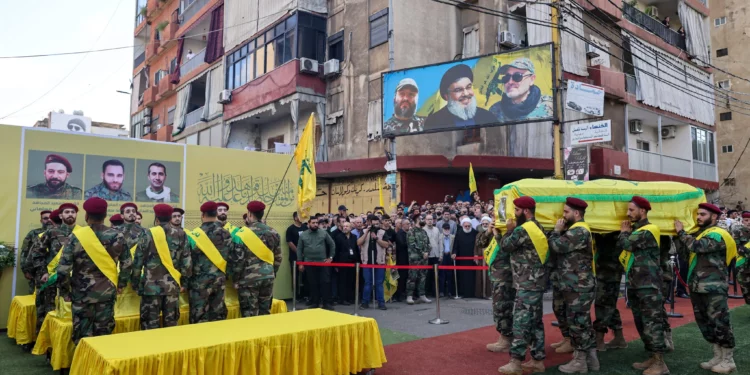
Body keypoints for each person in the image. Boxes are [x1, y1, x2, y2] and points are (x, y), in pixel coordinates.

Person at [56, 197, 131, 345]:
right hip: (107, 293)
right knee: (104, 335)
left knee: (82, 336)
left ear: (86, 215)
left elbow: (63, 269)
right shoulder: (118, 235)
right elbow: (127, 264)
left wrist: (65, 292)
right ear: (105, 216)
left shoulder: (76, 237)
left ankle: (82, 366)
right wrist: (121, 284)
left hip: (81, 294)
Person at [674, 203, 737, 373]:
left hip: (714, 287)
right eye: (698, 214)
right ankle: (717, 355)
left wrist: (681, 232)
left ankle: (728, 359)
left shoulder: (718, 234)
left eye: (702, 214)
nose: (698, 217)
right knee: (706, 322)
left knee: (720, 322)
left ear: (714, 217)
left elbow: (697, 246)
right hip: (698, 286)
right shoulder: (701, 233)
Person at [617, 196, 669, 374]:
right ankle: (652, 356)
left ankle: (660, 363)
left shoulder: (649, 230)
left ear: (643, 211)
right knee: (641, 322)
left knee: (652, 323)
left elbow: (625, 244)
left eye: (631, 210)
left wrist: (624, 232)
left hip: (648, 285)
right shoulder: (638, 229)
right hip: (636, 283)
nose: (628, 213)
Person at [497, 197, 547, 374]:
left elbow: (505, 246)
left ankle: (516, 362)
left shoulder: (523, 229)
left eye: (517, 210)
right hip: (536, 282)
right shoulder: (538, 226)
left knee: (520, 322)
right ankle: (537, 360)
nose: (514, 213)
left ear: (526, 211)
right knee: (535, 322)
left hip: (527, 283)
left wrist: (508, 231)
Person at [549, 198, 599, 373]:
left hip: (578, 286)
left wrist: (556, 231)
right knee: (583, 322)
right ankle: (591, 360)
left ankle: (580, 361)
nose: (563, 215)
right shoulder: (577, 230)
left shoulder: (578, 231)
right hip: (578, 284)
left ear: (576, 213)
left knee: (578, 323)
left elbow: (556, 246)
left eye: (566, 212)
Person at [132, 204, 191, 330]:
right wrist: (184, 283)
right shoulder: (181, 234)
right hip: (172, 288)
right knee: (171, 326)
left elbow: (138, 261)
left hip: (150, 288)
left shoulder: (148, 234)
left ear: (156, 219)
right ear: (170, 217)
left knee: (150, 325)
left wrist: (135, 283)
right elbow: (186, 262)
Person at [30, 203, 79, 333]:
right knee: (49, 312)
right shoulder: (51, 232)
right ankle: (46, 344)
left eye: (73, 212)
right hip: (52, 279)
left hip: (74, 281)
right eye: (67, 212)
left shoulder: (83, 232)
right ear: (61, 215)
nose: (70, 214)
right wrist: (43, 272)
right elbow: (37, 253)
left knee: (69, 315)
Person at [186, 201, 234, 323]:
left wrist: (185, 282)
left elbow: (187, 262)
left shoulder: (193, 235)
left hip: (199, 282)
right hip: (219, 280)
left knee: (199, 316)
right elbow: (232, 257)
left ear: (202, 215)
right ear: (216, 214)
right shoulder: (226, 233)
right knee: (217, 316)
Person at [233, 201, 283, 316]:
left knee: (250, 314)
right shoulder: (273, 232)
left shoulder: (241, 234)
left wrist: (236, 280)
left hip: (248, 279)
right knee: (265, 312)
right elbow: (278, 257)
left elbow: (238, 260)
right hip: (268, 277)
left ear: (249, 214)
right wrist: (272, 272)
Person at [423, 64, 497, 130]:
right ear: (446, 96)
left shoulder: (488, 117)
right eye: (458, 90)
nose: (466, 93)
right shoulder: (434, 122)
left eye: (468, 87)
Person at [489, 58, 554, 122]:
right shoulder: (495, 110)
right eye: (507, 77)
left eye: (517, 76)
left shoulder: (550, 105)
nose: (510, 82)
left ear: (532, 79)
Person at [592, 232, 627, 351]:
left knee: (602, 304)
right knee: (610, 304)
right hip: (606, 269)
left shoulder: (614, 232)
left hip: (610, 271)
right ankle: (619, 337)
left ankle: (599, 340)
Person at [297, 215, 336, 309]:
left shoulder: (323, 233)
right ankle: (315, 302)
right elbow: (299, 249)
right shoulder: (303, 234)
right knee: (313, 283)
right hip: (309, 262)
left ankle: (326, 303)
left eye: (316, 223)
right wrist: (300, 262)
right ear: (309, 224)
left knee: (325, 282)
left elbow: (332, 244)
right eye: (313, 223)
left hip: (322, 262)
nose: (315, 225)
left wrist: (330, 257)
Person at [358, 215, 390, 310]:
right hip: (367, 262)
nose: (375, 225)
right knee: (367, 283)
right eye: (373, 223)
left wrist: (376, 238)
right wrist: (367, 232)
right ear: (369, 223)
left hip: (379, 262)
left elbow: (386, 244)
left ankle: (381, 302)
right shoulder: (364, 231)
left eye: (377, 223)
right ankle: (365, 302)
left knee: (379, 283)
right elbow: (359, 243)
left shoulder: (382, 232)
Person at [20, 210, 52, 294]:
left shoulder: (59, 234)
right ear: (41, 221)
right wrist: (25, 270)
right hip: (35, 271)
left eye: (50, 218)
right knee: (35, 297)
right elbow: (24, 252)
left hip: (53, 271)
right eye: (45, 218)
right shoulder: (33, 234)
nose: (48, 220)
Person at [406, 217, 432, 304]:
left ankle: (422, 295)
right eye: (421, 219)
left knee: (423, 277)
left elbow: (428, 243)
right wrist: (422, 253)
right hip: (415, 258)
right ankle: (409, 296)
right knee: (412, 277)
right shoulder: (411, 232)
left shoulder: (424, 231)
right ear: (416, 221)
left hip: (424, 259)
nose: (423, 220)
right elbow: (412, 245)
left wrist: (427, 252)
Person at [335, 222, 359, 305]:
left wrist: (357, 261)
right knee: (342, 281)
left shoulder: (354, 237)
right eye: (344, 226)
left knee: (351, 280)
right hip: (342, 262)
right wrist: (336, 264)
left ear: (350, 228)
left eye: (347, 226)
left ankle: (350, 298)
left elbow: (356, 249)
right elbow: (336, 251)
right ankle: (342, 298)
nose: (345, 228)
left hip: (352, 262)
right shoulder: (338, 237)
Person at [453, 218, 477, 298]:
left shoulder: (475, 233)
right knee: (462, 277)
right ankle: (463, 293)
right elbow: (455, 245)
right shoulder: (459, 233)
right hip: (462, 259)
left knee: (471, 277)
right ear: (463, 225)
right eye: (465, 226)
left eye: (468, 226)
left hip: (472, 259)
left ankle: (472, 293)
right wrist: (454, 253)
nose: (467, 227)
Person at [286, 211, 308, 297]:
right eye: (300, 216)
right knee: (295, 276)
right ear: (295, 218)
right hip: (294, 257)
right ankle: (296, 296)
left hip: (306, 257)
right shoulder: (290, 229)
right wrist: (299, 253)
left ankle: (305, 294)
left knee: (306, 276)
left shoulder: (305, 227)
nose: (302, 217)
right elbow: (289, 242)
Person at [474, 216, 493, 299]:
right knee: (480, 277)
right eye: (483, 223)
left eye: (486, 223)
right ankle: (481, 294)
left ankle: (488, 294)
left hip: (490, 257)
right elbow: (476, 246)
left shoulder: (493, 233)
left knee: (489, 277)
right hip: (481, 257)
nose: (485, 225)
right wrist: (475, 255)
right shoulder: (478, 233)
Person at [423, 214, 441, 297]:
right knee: (427, 275)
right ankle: (426, 293)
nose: (430, 221)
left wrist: (441, 254)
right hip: (427, 256)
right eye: (428, 219)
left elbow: (440, 242)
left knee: (435, 275)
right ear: (425, 220)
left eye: (431, 219)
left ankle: (435, 292)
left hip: (436, 255)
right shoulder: (423, 230)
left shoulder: (437, 229)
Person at [437, 223, 456, 297]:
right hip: (443, 256)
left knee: (450, 275)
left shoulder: (453, 237)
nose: (447, 230)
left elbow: (455, 247)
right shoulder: (439, 237)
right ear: (442, 229)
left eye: (448, 229)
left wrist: (454, 253)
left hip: (450, 256)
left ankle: (450, 292)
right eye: (445, 229)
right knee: (442, 275)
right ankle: (441, 291)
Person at [735, 212, 750, 306]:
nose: (749, 222)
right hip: (743, 265)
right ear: (742, 221)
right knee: (746, 290)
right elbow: (735, 246)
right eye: (746, 220)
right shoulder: (738, 231)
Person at [395, 219, 411, 302]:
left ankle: (407, 293)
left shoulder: (409, 233)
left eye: (409, 224)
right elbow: (402, 244)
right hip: (402, 258)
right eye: (407, 224)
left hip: (409, 258)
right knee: (402, 277)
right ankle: (399, 294)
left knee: (408, 277)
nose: (409, 225)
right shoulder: (399, 234)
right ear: (403, 225)